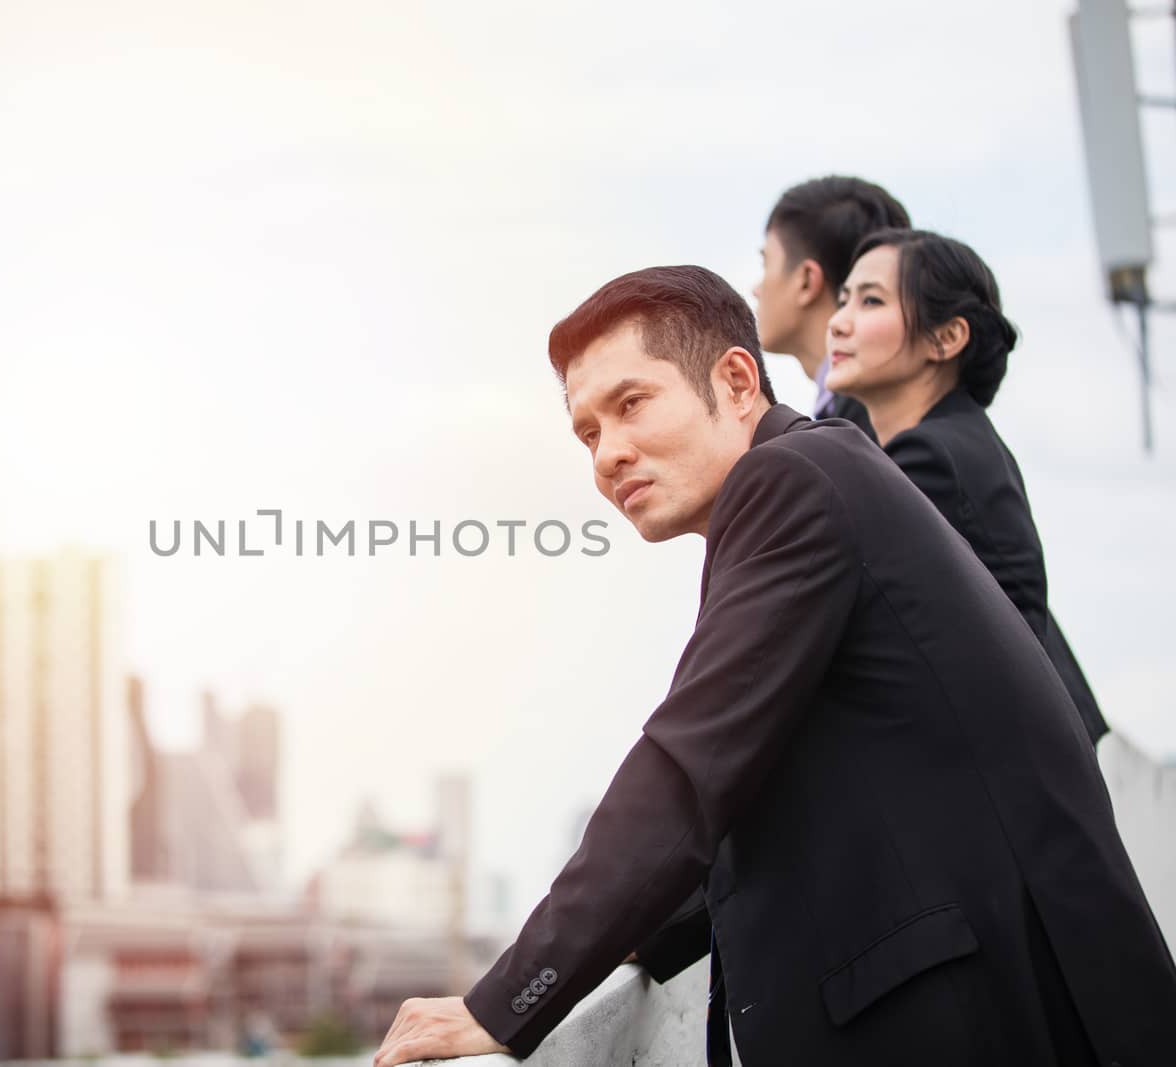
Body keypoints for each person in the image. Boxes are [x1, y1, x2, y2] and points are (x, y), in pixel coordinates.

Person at [372, 265, 1174, 1067]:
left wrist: (505, 1001)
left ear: (735, 378)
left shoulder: (790, 481)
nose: (609, 454)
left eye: (631, 404)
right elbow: (749, 788)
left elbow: (685, 771)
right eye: (588, 433)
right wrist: (638, 933)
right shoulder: (823, 475)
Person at [827, 229, 1108, 745]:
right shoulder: (949, 442)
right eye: (844, 299)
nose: (839, 322)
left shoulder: (931, 459)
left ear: (947, 338)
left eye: (870, 300)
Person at [752, 176, 909, 439]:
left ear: (806, 281)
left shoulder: (866, 425)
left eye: (766, 264)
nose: (756, 289)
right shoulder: (862, 412)